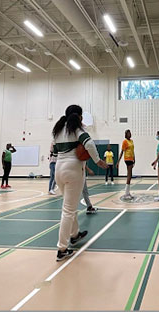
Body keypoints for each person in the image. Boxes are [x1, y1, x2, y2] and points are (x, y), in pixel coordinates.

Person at [52, 105, 107, 261]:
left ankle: (74, 235)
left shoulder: (57, 130)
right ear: (79, 116)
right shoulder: (76, 130)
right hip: (73, 169)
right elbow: (89, 144)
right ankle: (62, 248)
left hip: (59, 169)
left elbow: (55, 152)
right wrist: (97, 160)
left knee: (69, 206)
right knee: (68, 210)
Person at [117, 129, 135, 200]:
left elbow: (133, 151)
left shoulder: (132, 141)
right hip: (127, 159)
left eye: (130, 133)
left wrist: (134, 159)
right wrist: (118, 161)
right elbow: (122, 152)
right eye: (128, 133)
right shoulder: (125, 141)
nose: (130, 134)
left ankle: (127, 192)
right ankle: (126, 193)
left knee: (129, 175)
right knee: (129, 175)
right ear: (126, 134)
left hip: (131, 159)